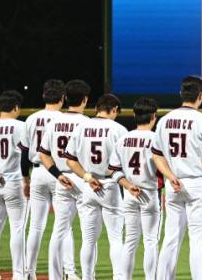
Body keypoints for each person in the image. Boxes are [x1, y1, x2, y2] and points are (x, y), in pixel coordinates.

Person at [152, 75, 202, 280]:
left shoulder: (164, 120)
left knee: (170, 238)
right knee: (198, 239)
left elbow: (156, 155)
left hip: (172, 183)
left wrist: (170, 176)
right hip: (196, 183)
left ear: (181, 94)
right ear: (200, 95)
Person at [18, 80, 78, 279]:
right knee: (64, 226)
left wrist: (25, 179)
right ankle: (69, 272)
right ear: (63, 98)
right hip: (60, 173)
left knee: (35, 226)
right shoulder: (65, 119)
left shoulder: (31, 119)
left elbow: (24, 153)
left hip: (37, 172)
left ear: (44, 96)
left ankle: (29, 272)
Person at [65, 94, 127, 280]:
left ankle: (87, 278)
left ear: (96, 109)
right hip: (111, 185)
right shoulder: (119, 129)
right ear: (114, 109)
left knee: (89, 239)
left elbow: (70, 160)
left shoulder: (81, 128)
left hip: (88, 185)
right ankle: (119, 277)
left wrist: (88, 177)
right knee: (115, 238)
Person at [38, 79, 92, 280]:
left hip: (62, 179)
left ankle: (55, 276)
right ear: (85, 99)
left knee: (59, 230)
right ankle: (87, 276)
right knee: (88, 233)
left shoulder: (54, 123)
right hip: (83, 178)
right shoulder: (88, 123)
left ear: (66, 98)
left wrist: (58, 175)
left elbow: (43, 153)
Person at [109, 97, 163, 280]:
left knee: (130, 241)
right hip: (150, 193)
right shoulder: (157, 139)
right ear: (154, 116)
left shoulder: (123, 139)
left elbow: (113, 170)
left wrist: (128, 186)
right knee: (151, 241)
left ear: (134, 115)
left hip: (129, 193)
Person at [0, 90, 28, 280]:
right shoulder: (22, 126)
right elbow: (28, 156)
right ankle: (19, 274)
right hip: (15, 182)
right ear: (16, 107)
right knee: (17, 228)